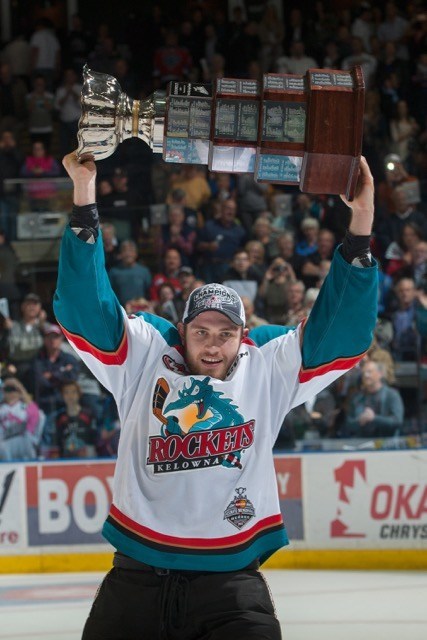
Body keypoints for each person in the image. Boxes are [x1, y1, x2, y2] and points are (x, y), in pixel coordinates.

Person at [55, 151, 377, 640]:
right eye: (201, 331)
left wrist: (360, 224)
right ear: (181, 330)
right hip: (138, 577)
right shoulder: (144, 356)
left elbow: (339, 332)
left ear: (242, 337)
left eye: (224, 334)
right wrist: (84, 198)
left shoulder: (264, 366)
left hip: (230, 583)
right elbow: (86, 306)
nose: (212, 344)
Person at [343, 360, 404, 438]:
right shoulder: (357, 398)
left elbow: (397, 421)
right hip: (362, 445)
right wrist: (360, 421)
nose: (366, 375)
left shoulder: (391, 395)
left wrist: (374, 418)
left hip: (386, 446)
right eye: (363, 373)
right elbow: (348, 424)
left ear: (380, 374)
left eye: (369, 372)